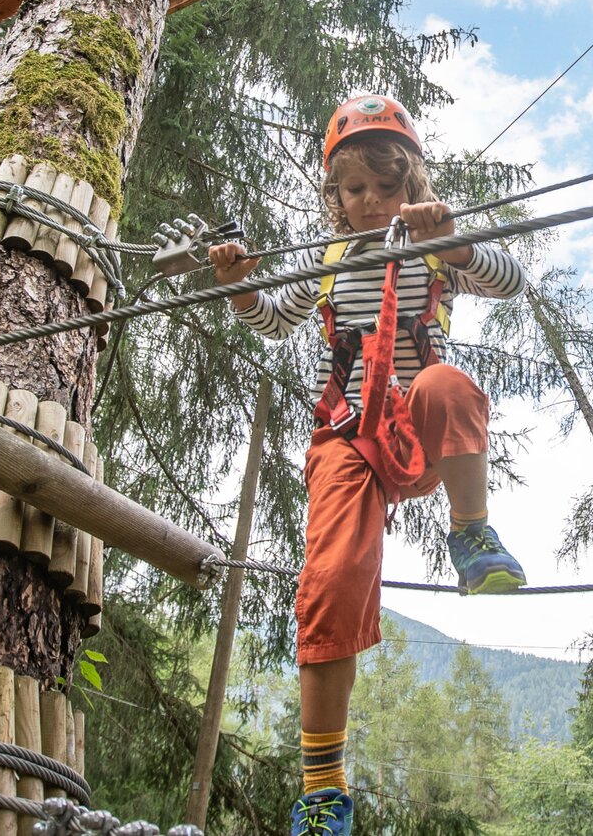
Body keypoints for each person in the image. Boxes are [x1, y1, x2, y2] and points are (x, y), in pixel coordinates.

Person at [208, 94, 528, 835]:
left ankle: (472, 533)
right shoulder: (323, 262)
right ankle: (323, 786)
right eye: (355, 189)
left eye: (387, 186)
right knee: (332, 578)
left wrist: (449, 244)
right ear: (336, 197)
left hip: (414, 422)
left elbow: (510, 277)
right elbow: (270, 319)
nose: (371, 200)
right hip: (346, 435)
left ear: (410, 185)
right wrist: (239, 283)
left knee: (449, 384)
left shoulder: (432, 243)